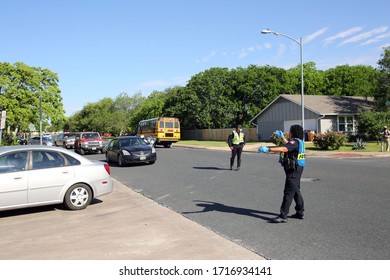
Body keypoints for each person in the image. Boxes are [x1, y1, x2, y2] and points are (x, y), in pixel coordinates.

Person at [258, 125, 305, 223]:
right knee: (295, 190)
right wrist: (282, 137)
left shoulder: (294, 141)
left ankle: (283, 216)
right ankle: (300, 212)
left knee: (288, 192)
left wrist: (268, 149)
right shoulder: (298, 142)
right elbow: (289, 145)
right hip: (297, 169)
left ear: (293, 133)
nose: (289, 133)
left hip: (293, 170)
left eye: (290, 131)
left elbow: (285, 148)